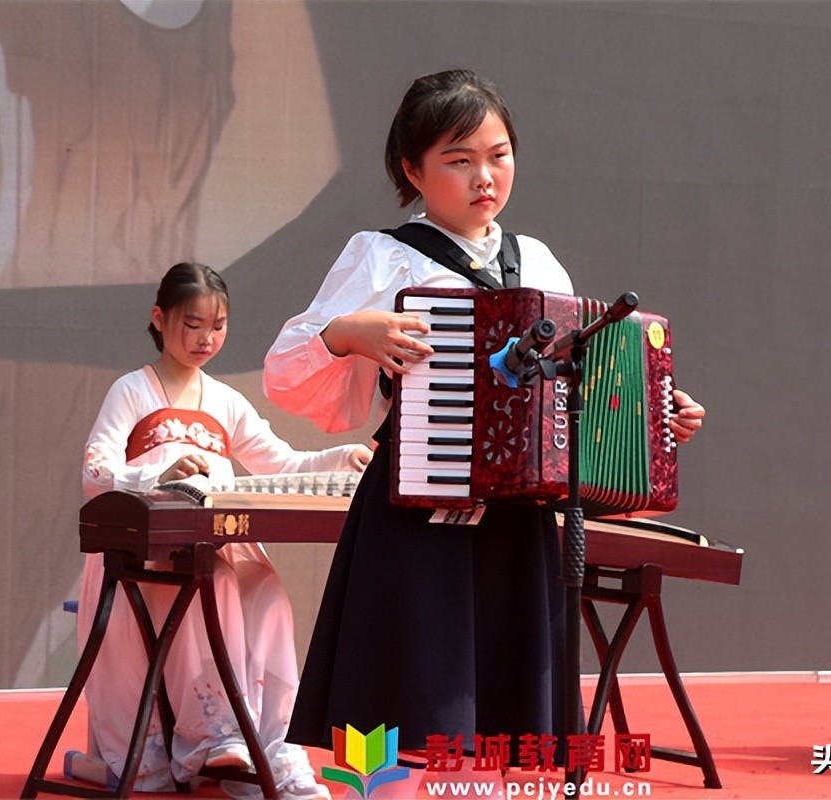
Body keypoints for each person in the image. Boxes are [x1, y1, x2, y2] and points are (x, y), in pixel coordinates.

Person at [262, 68, 705, 789]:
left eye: (498, 156)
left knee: (507, 709)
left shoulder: (536, 261)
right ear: (413, 169)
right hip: (415, 507)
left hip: (516, 516)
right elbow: (284, 369)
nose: (484, 176)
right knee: (407, 696)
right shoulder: (381, 255)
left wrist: (660, 411)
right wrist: (348, 332)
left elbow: (582, 378)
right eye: (458, 159)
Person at [79, 261, 372, 799]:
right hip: (149, 551)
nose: (206, 338)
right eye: (193, 324)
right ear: (159, 319)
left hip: (219, 539)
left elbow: (280, 463)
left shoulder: (225, 400)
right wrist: (155, 474)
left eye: (218, 326)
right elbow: (95, 471)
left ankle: (270, 739)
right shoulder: (132, 390)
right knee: (209, 583)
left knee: (267, 593)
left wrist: (340, 457)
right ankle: (215, 732)